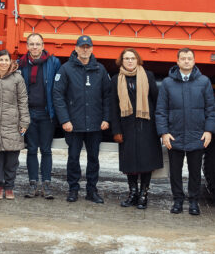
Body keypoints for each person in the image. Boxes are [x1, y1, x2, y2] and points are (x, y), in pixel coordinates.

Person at [155, 47, 215, 216]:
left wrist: (209, 131)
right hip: (174, 135)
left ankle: (194, 202)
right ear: (178, 61)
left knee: (195, 171)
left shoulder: (204, 82)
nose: (186, 61)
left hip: (197, 135)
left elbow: (211, 109)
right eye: (183, 58)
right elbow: (161, 110)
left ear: (194, 61)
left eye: (189, 58)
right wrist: (164, 133)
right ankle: (178, 201)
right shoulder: (167, 83)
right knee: (175, 171)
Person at [53, 35, 111, 204]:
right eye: (82, 47)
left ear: (92, 49)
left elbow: (107, 96)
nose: (85, 50)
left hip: (95, 124)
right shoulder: (66, 69)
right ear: (76, 48)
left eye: (88, 47)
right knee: (73, 158)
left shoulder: (100, 69)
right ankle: (73, 189)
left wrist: (106, 118)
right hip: (73, 124)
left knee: (93, 159)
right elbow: (58, 95)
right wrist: (65, 120)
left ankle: (92, 190)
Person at [110, 48, 163, 210]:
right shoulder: (116, 79)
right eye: (126, 58)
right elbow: (113, 107)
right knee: (130, 162)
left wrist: (160, 127)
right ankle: (132, 194)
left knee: (146, 162)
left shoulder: (148, 76)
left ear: (137, 60)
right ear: (121, 61)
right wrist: (116, 130)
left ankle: (143, 195)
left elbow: (157, 101)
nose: (130, 61)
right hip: (126, 127)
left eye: (132, 58)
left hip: (147, 126)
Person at [17, 33, 61, 199]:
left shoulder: (53, 62)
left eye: (37, 44)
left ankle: (47, 185)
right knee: (31, 150)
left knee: (46, 150)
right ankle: (33, 184)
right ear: (27, 46)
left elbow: (58, 88)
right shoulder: (21, 64)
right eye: (31, 44)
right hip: (29, 113)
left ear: (43, 46)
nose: (34, 47)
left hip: (46, 113)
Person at [0, 50, 30, 200]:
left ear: (11, 62)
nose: (4, 63)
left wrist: (24, 121)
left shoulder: (18, 78)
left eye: (6, 60)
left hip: (13, 123)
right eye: (1, 60)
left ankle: (9, 187)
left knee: (12, 159)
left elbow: (23, 101)